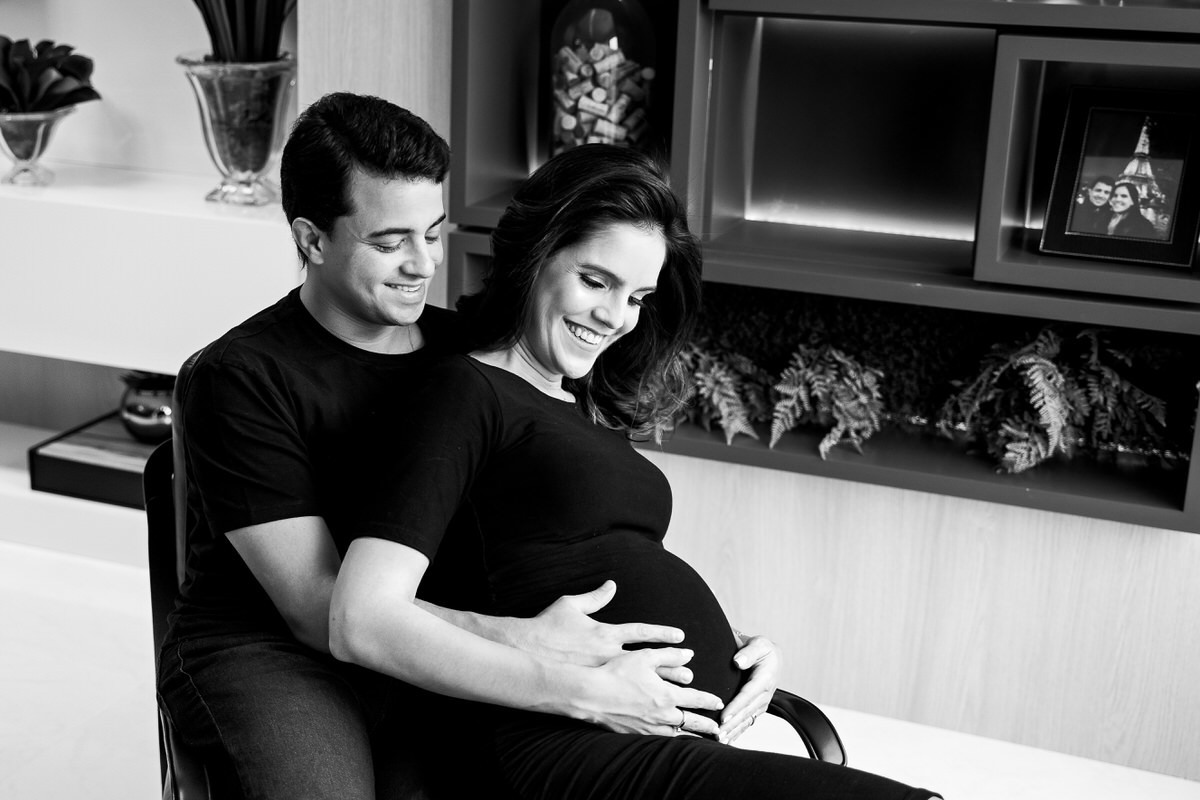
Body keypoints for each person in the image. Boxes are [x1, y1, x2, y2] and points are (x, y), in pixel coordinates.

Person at [158, 94, 776, 800]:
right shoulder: (239, 377)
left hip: (423, 641)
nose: (422, 264)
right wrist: (515, 638)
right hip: (271, 647)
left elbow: (550, 534)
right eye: (390, 243)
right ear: (312, 239)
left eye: (433, 233)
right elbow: (317, 608)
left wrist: (715, 643)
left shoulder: (466, 351)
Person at [330, 144, 942, 799]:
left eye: (637, 297)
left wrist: (737, 648)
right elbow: (361, 620)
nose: (615, 316)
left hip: (650, 739)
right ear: (534, 257)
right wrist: (585, 692)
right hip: (556, 743)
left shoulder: (579, 407)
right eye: (596, 281)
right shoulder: (465, 392)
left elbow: (564, 566)